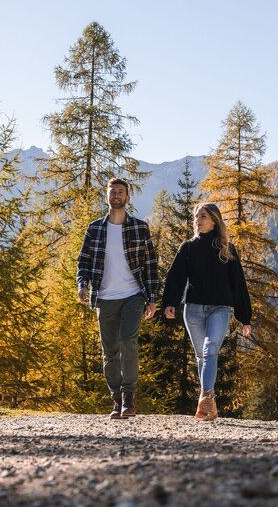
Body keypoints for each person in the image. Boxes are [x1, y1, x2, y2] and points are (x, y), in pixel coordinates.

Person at [162, 202, 252, 421]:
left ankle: (205, 396)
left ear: (214, 220)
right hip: (192, 310)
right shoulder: (188, 247)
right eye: (196, 216)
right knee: (202, 355)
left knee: (210, 349)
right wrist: (170, 302)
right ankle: (209, 404)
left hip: (220, 309)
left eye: (203, 216)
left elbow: (237, 283)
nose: (198, 220)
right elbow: (176, 276)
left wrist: (244, 317)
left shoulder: (227, 248)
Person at [77, 178, 158, 419]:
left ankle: (129, 398)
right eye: (112, 192)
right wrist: (82, 285)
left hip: (133, 295)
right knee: (109, 352)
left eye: (121, 192)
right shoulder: (94, 229)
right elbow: (83, 261)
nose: (116, 196)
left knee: (128, 342)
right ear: (107, 197)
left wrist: (152, 298)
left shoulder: (140, 228)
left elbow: (150, 265)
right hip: (104, 297)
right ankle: (116, 399)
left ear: (128, 198)